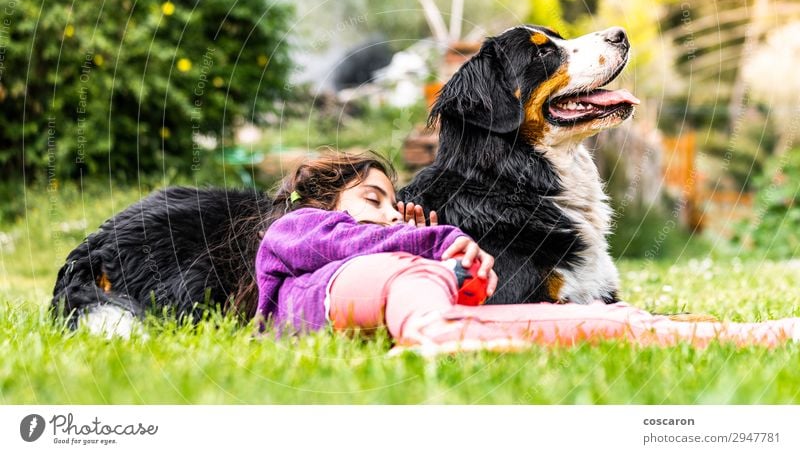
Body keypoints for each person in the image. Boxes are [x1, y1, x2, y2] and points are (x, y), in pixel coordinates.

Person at [255, 150, 800, 355]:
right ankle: (437, 336)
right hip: (369, 300)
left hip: (410, 307)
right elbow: (351, 242)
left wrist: (449, 269)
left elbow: (389, 248)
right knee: (405, 274)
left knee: (593, 320)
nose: (392, 213)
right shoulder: (299, 228)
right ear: (321, 202)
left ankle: (755, 334)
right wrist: (438, 242)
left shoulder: (396, 253)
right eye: (373, 199)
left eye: (394, 203)